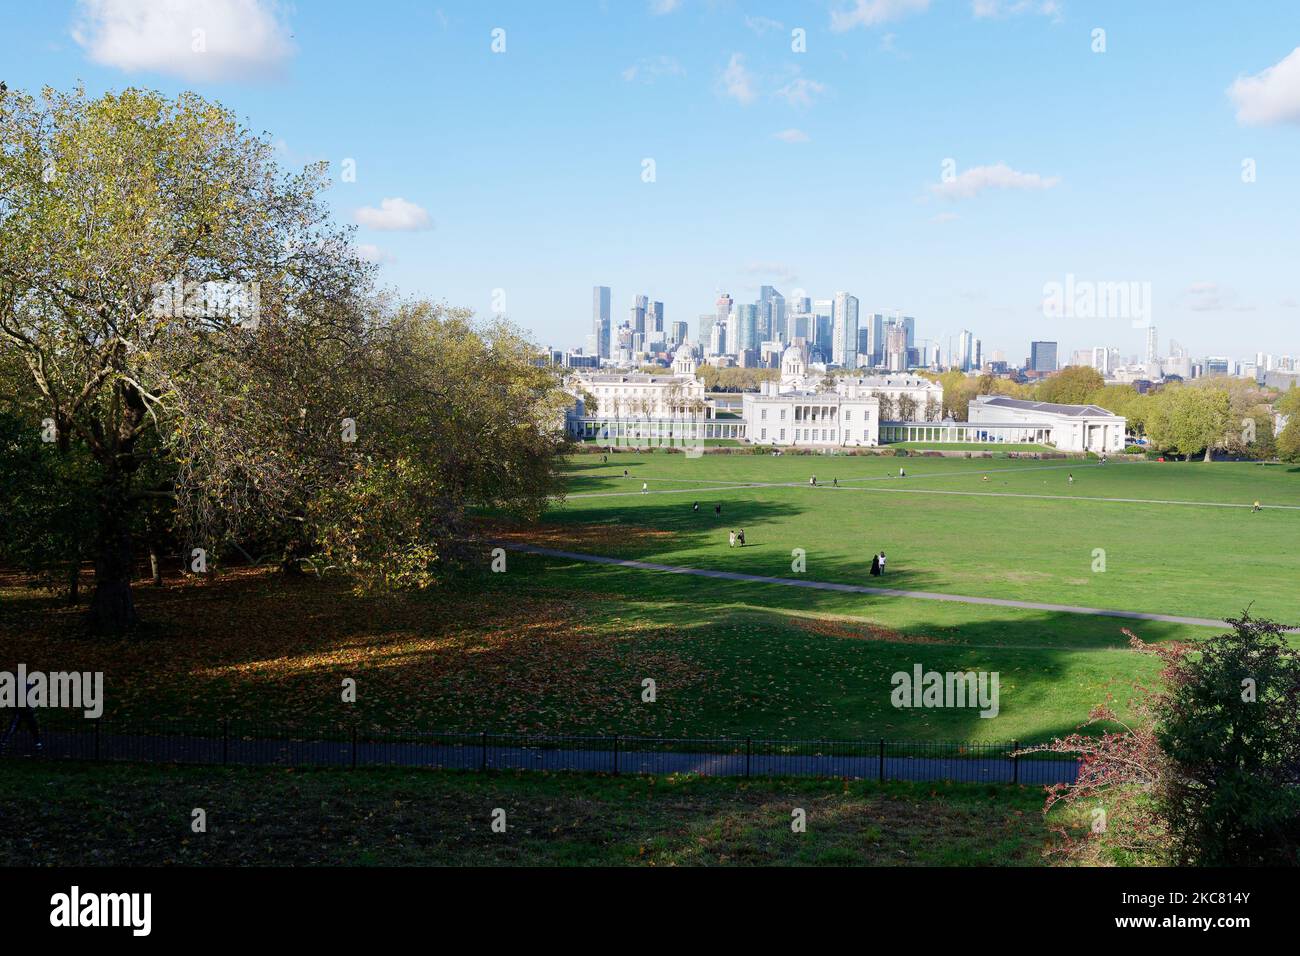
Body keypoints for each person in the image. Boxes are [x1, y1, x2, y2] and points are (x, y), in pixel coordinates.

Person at [0, 677, 43, 753]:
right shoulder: (21, 687)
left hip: (24, 710)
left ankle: (3, 742)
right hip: (21, 710)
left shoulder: (20, 686)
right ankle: (3, 742)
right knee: (17, 726)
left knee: (30, 726)